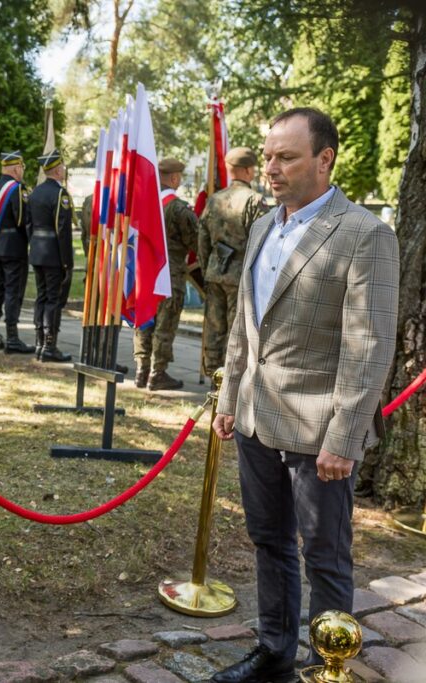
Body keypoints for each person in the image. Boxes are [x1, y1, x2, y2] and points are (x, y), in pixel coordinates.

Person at [211, 108, 398, 683]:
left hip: (321, 432)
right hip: (255, 418)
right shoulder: (264, 225)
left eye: (286, 157)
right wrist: (228, 395)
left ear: (324, 159)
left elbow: (369, 346)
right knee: (267, 541)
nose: (271, 167)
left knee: (325, 557)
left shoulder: (366, 234)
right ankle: (274, 651)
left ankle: (328, 665)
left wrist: (344, 435)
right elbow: (247, 323)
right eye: (267, 155)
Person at [198, 146, 268, 375]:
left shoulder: (214, 199)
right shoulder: (255, 200)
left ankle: (212, 375)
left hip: (215, 270)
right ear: (248, 170)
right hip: (241, 276)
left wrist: (207, 265)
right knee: (236, 328)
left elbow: (203, 238)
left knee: (214, 326)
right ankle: (228, 379)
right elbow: (263, 241)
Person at [133, 158, 200, 391]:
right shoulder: (178, 208)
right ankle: (157, 372)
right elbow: (196, 241)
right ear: (174, 178)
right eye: (179, 177)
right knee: (165, 323)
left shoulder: (144, 203)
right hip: (170, 273)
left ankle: (141, 370)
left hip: (146, 272)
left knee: (145, 320)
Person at [0, 151, 34, 354]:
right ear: (16, 168)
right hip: (14, 246)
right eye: (21, 168)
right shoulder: (17, 189)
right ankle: (12, 337)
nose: (22, 172)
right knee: (13, 291)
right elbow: (22, 219)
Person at [28, 149, 74, 362]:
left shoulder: (35, 192)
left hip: (37, 251)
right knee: (53, 299)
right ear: (57, 169)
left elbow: (29, 224)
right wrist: (67, 262)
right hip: (54, 253)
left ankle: (39, 343)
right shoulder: (60, 194)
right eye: (62, 166)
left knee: (42, 297)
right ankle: (49, 345)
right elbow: (62, 230)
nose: (64, 169)